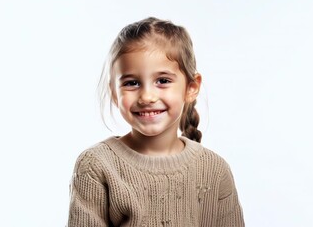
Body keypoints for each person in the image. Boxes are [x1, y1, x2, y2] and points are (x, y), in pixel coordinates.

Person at [67, 17, 244, 227]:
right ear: (114, 92)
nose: (147, 96)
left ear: (191, 87)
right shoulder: (96, 166)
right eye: (132, 83)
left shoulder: (215, 170)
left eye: (163, 81)